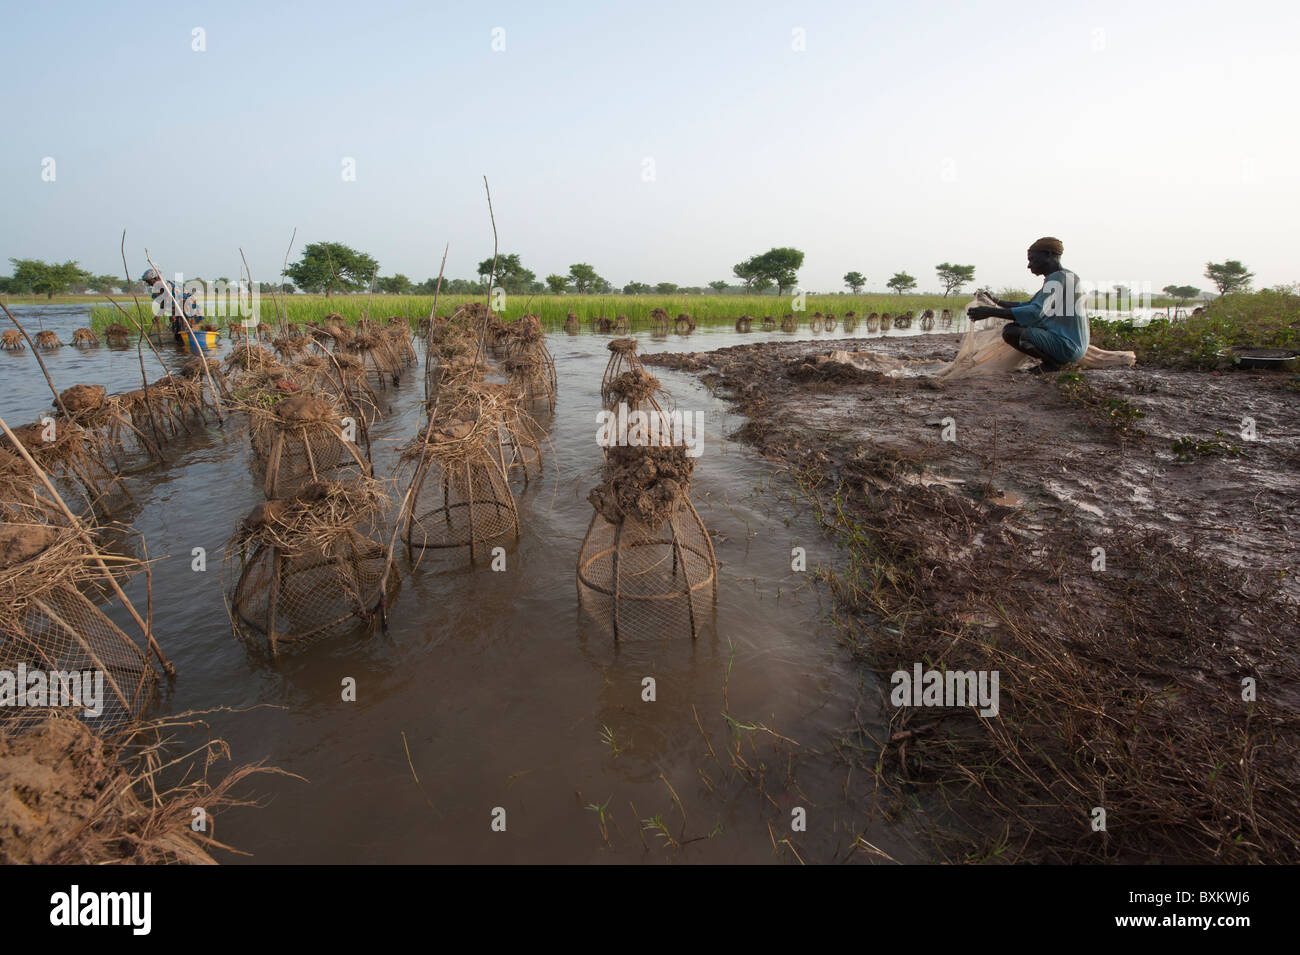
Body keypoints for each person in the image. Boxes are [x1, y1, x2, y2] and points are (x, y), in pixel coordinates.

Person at [968, 237, 1088, 374]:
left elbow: (1035, 312)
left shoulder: (1058, 278)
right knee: (1016, 328)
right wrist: (995, 301)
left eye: (1032, 259)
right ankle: (1053, 362)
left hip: (1067, 346)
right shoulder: (1066, 276)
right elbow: (1029, 305)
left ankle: (1052, 365)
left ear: (1048, 255)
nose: (1029, 265)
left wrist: (990, 311)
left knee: (1011, 331)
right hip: (1072, 346)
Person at [141, 268, 204, 343]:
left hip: (191, 309)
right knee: (177, 333)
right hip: (179, 311)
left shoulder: (170, 287)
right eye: (148, 282)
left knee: (186, 331)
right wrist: (158, 316)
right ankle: (180, 347)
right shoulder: (157, 291)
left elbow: (183, 302)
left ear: (157, 278)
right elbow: (163, 305)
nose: (149, 284)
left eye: (150, 282)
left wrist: (174, 314)